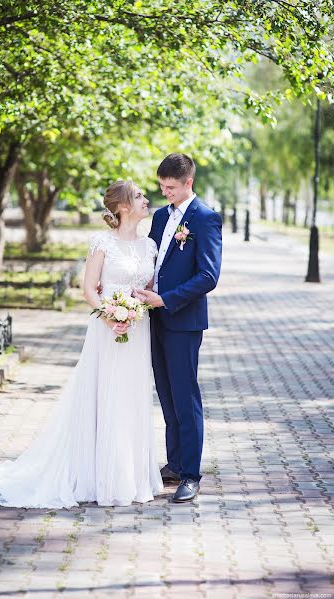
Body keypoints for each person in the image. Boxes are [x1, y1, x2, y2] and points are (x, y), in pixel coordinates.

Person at [0, 180, 163, 508]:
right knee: (104, 395)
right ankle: (97, 476)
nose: (146, 199)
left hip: (138, 331)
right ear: (123, 207)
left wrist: (138, 308)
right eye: (139, 196)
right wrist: (110, 316)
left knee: (131, 397)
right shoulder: (102, 243)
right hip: (107, 330)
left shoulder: (149, 246)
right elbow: (88, 289)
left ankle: (128, 474)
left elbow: (148, 286)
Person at [134, 153, 222, 503]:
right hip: (152, 318)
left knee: (186, 397)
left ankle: (191, 474)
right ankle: (174, 463)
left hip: (183, 320)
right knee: (167, 395)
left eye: (171, 187)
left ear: (189, 183)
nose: (165, 192)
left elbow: (208, 276)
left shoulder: (205, 219)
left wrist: (166, 299)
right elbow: (151, 261)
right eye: (161, 187)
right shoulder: (159, 216)